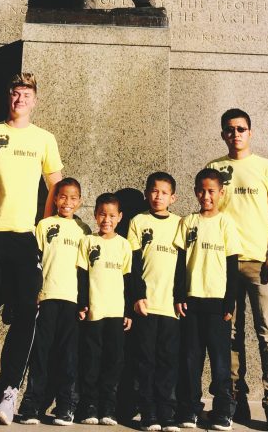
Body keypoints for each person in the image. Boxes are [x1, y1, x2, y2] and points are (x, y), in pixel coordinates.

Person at [0, 73, 63, 428]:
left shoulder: (44, 139)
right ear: (9, 98)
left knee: (26, 313)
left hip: (24, 237)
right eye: (15, 93)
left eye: (26, 94)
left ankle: (9, 390)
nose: (20, 99)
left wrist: (43, 227)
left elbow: (57, 186)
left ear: (35, 101)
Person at [207, 110, 268, 432]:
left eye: (241, 129)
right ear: (223, 134)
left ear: (250, 133)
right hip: (225, 262)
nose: (236, 134)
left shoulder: (267, 168)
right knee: (229, 335)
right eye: (229, 130)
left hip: (260, 261)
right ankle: (233, 399)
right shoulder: (215, 168)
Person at [174, 169, 242, 432]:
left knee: (220, 360)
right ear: (195, 192)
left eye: (211, 191)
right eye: (201, 191)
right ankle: (190, 409)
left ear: (221, 193)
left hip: (217, 304)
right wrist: (179, 295)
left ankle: (223, 411)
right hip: (192, 301)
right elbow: (180, 263)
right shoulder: (188, 222)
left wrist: (229, 303)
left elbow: (232, 267)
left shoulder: (226, 224)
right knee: (191, 358)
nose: (206, 196)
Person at [18, 177, 87, 427]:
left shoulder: (84, 231)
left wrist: (84, 303)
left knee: (68, 355)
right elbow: (33, 263)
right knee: (41, 353)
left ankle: (66, 405)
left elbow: (85, 271)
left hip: (71, 301)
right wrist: (32, 293)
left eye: (73, 198)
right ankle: (32, 405)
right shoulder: (44, 225)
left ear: (79, 202)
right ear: (55, 199)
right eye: (62, 197)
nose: (67, 202)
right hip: (46, 298)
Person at [128, 172, 182, 432]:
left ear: (173, 197)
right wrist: (137, 296)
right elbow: (134, 264)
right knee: (145, 360)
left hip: (171, 307)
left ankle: (166, 412)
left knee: (168, 361)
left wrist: (181, 298)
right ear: (147, 192)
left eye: (163, 192)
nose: (158, 196)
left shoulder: (180, 224)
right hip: (146, 306)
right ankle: (148, 412)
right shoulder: (138, 221)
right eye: (153, 190)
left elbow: (183, 266)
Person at [77, 192, 133, 424]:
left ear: (119, 217)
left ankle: (108, 407)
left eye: (111, 215)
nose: (106, 220)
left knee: (113, 360)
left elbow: (128, 281)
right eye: (102, 214)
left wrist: (128, 311)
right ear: (95, 215)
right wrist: (82, 304)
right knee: (92, 359)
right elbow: (81, 275)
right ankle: (89, 405)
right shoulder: (88, 241)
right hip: (94, 313)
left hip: (116, 313)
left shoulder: (124, 245)